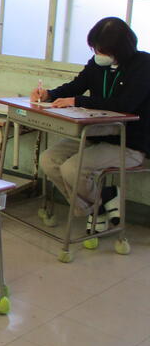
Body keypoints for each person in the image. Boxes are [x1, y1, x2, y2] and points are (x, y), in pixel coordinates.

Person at [35, 17, 149, 229]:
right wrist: (49, 94)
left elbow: (124, 105)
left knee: (72, 169)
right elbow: (76, 86)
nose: (97, 54)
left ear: (120, 49)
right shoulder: (97, 63)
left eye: (102, 50)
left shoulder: (144, 65)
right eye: (95, 48)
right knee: (48, 160)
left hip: (128, 143)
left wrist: (78, 101)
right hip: (94, 135)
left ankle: (95, 209)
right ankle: (101, 204)